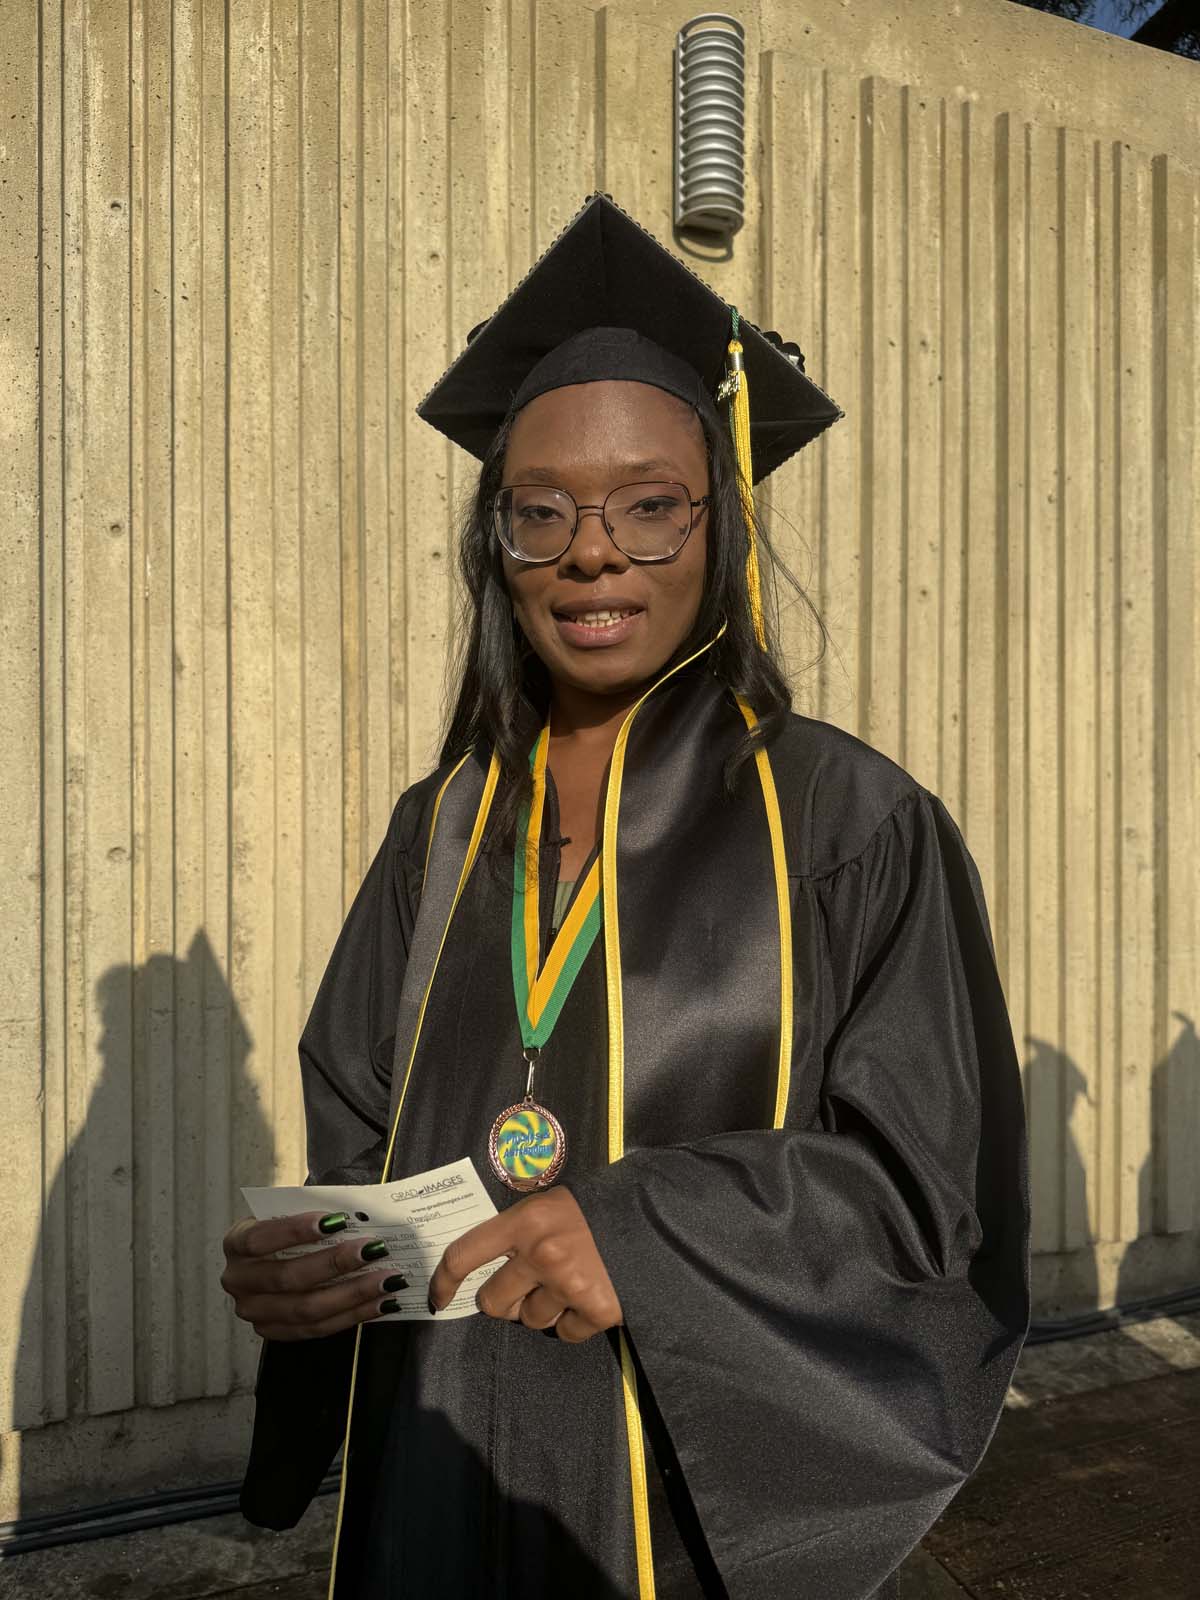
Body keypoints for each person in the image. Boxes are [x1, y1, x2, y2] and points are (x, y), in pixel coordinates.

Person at [221, 194, 1030, 1600]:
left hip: (684, 1498)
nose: (593, 553)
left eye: (652, 506)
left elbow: (936, 1205)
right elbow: (367, 1131)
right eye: (542, 514)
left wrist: (655, 1233)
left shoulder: (849, 822)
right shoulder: (444, 829)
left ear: (723, 523)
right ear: (500, 546)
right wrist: (316, 1282)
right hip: (447, 1470)